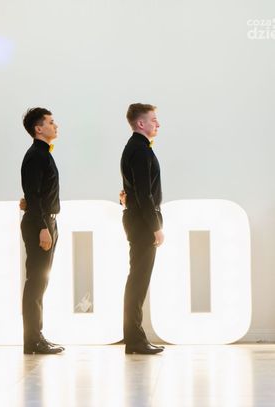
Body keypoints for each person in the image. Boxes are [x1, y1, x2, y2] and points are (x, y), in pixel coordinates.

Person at [120, 103, 165, 355]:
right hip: (142, 224)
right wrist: (155, 227)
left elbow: (135, 189)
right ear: (141, 123)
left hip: (138, 220)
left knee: (137, 280)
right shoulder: (139, 150)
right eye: (153, 120)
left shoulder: (136, 147)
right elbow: (145, 194)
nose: (158, 124)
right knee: (138, 281)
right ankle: (135, 340)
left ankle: (135, 339)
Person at [20, 107, 64, 354]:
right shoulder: (36, 155)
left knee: (40, 283)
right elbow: (34, 195)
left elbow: (35, 194)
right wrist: (42, 227)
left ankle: (36, 337)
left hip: (46, 221)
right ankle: (33, 340)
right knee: (36, 283)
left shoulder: (43, 154)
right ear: (38, 128)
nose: (55, 125)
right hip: (42, 224)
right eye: (50, 122)